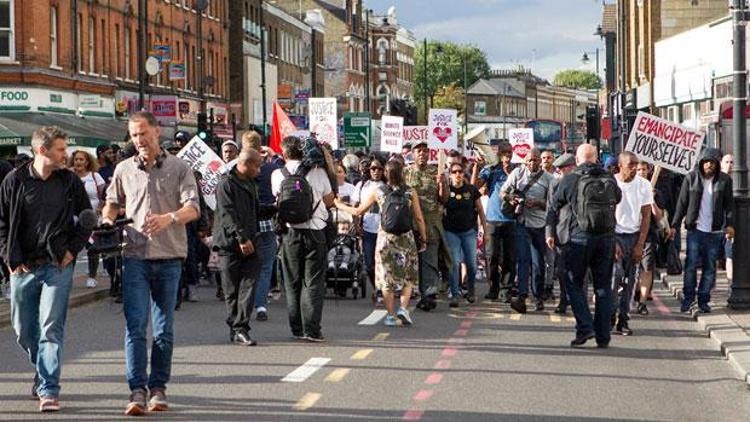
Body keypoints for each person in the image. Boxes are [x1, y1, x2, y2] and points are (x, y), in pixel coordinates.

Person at [102, 111, 200, 416]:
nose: (139, 140)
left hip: (169, 256)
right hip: (134, 256)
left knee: (163, 329)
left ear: (157, 132)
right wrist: (107, 217)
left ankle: (159, 387)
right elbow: (113, 201)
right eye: (133, 135)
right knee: (135, 328)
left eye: (143, 133)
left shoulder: (179, 167)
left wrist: (169, 218)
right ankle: (137, 390)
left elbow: (193, 208)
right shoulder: (123, 169)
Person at [0, 126, 93, 412]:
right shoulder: (14, 181)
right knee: (23, 330)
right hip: (23, 267)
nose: (67, 155)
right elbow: (1, 222)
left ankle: (49, 389)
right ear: (43, 150)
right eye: (61, 150)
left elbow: (88, 217)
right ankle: (42, 372)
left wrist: (72, 250)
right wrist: (9, 258)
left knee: (51, 328)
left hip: (57, 265)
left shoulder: (70, 182)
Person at [335, 159, 427, 326]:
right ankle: (404, 309)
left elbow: (358, 211)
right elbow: (419, 218)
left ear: (386, 173)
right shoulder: (410, 192)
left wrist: (338, 204)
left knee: (385, 277)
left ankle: (391, 316)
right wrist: (424, 238)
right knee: (408, 275)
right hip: (406, 238)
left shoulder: (379, 192)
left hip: (385, 238)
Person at [546, 144, 621, 348]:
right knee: (603, 287)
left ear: (577, 160)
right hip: (606, 238)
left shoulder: (570, 179)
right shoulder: (609, 178)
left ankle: (585, 327)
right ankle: (603, 336)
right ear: (596, 158)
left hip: (579, 239)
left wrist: (550, 232)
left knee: (572, 282)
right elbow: (618, 198)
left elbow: (553, 208)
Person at [272, 136, 334, 342]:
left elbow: (277, 199)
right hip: (315, 230)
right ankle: (312, 329)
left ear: (284, 153)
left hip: (290, 232)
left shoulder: (277, 174)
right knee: (313, 281)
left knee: (292, 281)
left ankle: (296, 328)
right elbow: (329, 200)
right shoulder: (319, 171)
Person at [669, 147, 735, 313]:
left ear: (716, 164)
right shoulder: (691, 178)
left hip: (714, 232)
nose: (709, 165)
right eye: (706, 162)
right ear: (700, 163)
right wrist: (674, 225)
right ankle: (688, 299)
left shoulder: (724, 180)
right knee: (690, 266)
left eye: (712, 162)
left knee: (709, 268)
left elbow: (729, 205)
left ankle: (704, 300)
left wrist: (730, 225)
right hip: (695, 231)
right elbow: (682, 204)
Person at [214, 149, 264, 346]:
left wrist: (276, 209)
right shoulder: (226, 183)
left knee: (249, 286)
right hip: (230, 243)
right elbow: (227, 214)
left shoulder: (251, 183)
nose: (259, 170)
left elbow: (254, 210)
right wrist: (241, 238)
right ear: (247, 164)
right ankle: (235, 328)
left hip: (252, 241)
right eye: (257, 166)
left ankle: (241, 327)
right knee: (232, 290)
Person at [501, 148, 555, 312]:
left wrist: (537, 203)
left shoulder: (549, 179)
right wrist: (513, 198)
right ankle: (522, 297)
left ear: (540, 161)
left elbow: (552, 206)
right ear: (525, 161)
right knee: (523, 260)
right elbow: (503, 192)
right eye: (529, 160)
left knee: (538, 264)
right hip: (522, 222)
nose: (532, 163)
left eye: (535, 160)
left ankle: (538, 297)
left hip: (540, 225)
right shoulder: (517, 173)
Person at [611, 152, 652, 336]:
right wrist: (612, 242)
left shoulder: (644, 185)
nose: (635, 168)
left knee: (630, 281)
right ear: (620, 165)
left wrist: (640, 244)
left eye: (637, 164)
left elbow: (646, 216)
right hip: (615, 236)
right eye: (631, 164)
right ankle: (610, 314)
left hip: (634, 236)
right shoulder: (611, 183)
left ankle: (624, 319)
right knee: (614, 277)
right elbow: (607, 214)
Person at [405, 140, 448, 311]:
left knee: (429, 260)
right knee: (410, 260)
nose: (422, 153)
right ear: (413, 154)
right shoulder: (405, 173)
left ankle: (429, 294)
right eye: (418, 151)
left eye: (425, 150)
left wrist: (442, 183)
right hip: (410, 224)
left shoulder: (435, 172)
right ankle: (410, 292)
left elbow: (444, 198)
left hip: (430, 223)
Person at [242, 130, 280, 322]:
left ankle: (243, 306)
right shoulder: (271, 168)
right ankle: (261, 305)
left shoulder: (236, 169)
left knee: (244, 267)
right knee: (265, 267)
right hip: (265, 223)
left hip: (243, 224)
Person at [473, 142, 517, 304]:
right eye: (504, 153)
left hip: (510, 219)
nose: (507, 155)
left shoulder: (517, 170)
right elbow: (475, 186)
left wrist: (510, 173)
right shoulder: (491, 169)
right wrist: (478, 168)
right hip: (492, 219)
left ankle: (506, 289)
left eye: (509, 153)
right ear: (499, 154)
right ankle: (494, 288)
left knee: (508, 257)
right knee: (491, 256)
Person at [444, 161, 488, 307]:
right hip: (451, 232)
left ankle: (471, 290)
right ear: (450, 175)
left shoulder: (471, 190)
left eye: (460, 172)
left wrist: (485, 231)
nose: (458, 174)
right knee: (455, 263)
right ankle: (455, 294)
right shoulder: (446, 190)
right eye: (454, 172)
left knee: (471, 264)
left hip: (469, 232)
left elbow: (480, 210)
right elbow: (440, 203)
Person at [69, 150, 107, 288]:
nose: (78, 162)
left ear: (87, 162)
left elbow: (104, 195)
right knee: (72, 248)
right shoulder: (69, 176)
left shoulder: (95, 176)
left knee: (92, 248)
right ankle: (68, 277)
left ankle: (92, 276)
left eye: (81, 159)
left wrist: (101, 207)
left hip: (92, 218)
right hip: (73, 219)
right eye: (76, 159)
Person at [634, 161, 666, 316]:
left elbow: (659, 217)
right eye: (638, 169)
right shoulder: (628, 188)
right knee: (631, 269)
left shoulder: (655, 192)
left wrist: (652, 200)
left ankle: (642, 302)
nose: (641, 172)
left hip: (648, 234)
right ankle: (634, 290)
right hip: (630, 233)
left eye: (644, 169)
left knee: (647, 268)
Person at [353, 157, 386, 301]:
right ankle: (377, 287)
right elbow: (355, 207)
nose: (376, 172)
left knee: (383, 263)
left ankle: (381, 290)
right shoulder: (361, 185)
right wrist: (356, 225)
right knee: (369, 264)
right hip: (367, 229)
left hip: (384, 229)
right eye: (373, 169)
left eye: (379, 169)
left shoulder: (387, 185)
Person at [548, 153, 577, 314]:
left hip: (581, 231)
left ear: (572, 167)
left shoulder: (582, 181)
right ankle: (564, 299)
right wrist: (549, 232)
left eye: (562, 169)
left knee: (580, 270)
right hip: (562, 232)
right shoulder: (556, 184)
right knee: (562, 270)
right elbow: (551, 210)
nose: (559, 172)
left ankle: (576, 300)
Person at [721, 154, 734, 283]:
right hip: (715, 225)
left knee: (730, 256)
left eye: (731, 162)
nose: (729, 165)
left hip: (730, 226)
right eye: (726, 162)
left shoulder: (737, 183)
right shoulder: (715, 182)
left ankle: (731, 286)